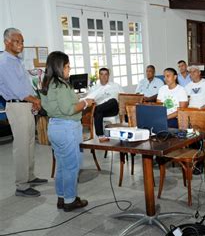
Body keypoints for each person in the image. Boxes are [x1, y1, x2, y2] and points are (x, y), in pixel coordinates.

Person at [40, 51, 92, 211]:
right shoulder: (61, 85)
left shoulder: (47, 84)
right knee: (71, 166)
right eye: (67, 66)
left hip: (55, 126)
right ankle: (70, 200)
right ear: (58, 67)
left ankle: (62, 197)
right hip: (67, 128)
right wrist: (85, 103)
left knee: (62, 165)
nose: (69, 69)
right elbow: (68, 109)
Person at [0, 28, 47, 197]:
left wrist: (34, 99)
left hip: (25, 105)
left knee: (29, 143)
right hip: (17, 106)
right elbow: (17, 90)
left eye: (22, 42)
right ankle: (21, 185)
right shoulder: (4, 62)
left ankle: (29, 176)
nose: (21, 45)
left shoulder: (16, 61)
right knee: (21, 147)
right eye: (17, 41)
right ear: (6, 42)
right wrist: (35, 101)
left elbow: (26, 86)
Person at [86, 67, 123, 142]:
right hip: (101, 111)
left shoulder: (115, 86)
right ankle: (100, 136)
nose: (104, 76)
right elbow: (89, 100)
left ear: (109, 76)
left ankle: (96, 110)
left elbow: (124, 97)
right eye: (102, 74)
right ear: (99, 76)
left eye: (106, 74)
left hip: (113, 109)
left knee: (113, 101)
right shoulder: (94, 88)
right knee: (98, 111)